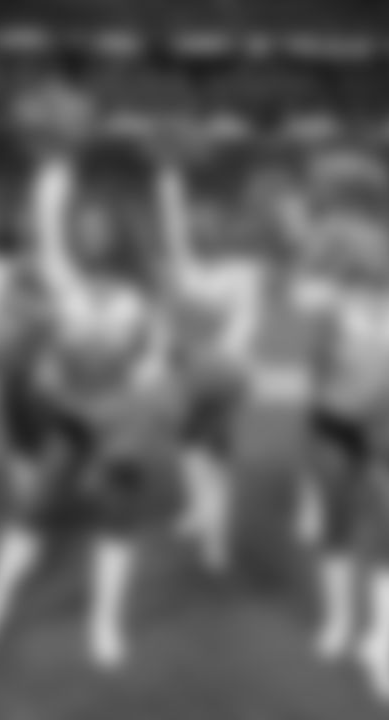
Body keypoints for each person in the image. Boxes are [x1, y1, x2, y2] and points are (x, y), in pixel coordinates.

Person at [0, 84, 167, 670]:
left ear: (118, 237)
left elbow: (156, 355)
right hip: (73, 418)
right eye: (86, 227)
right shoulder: (65, 289)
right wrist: (56, 167)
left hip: (121, 422)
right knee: (29, 509)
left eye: (102, 227)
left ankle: (105, 623)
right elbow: (50, 241)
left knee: (118, 522)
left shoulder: (139, 295)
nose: (92, 234)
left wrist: (145, 380)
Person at [286, 149, 389, 705]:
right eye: (368, 252)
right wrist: (325, 209)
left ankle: (384, 650)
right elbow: (305, 279)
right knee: (336, 530)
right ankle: (339, 621)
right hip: (333, 426)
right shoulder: (327, 298)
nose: (381, 261)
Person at [145, 116, 259, 572]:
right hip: (197, 370)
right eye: (199, 231)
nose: (200, 234)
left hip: (212, 374)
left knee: (213, 458)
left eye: (206, 230)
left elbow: (241, 328)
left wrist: (214, 360)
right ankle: (200, 516)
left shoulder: (229, 273)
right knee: (191, 450)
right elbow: (172, 227)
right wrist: (169, 177)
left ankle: (217, 539)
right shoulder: (209, 269)